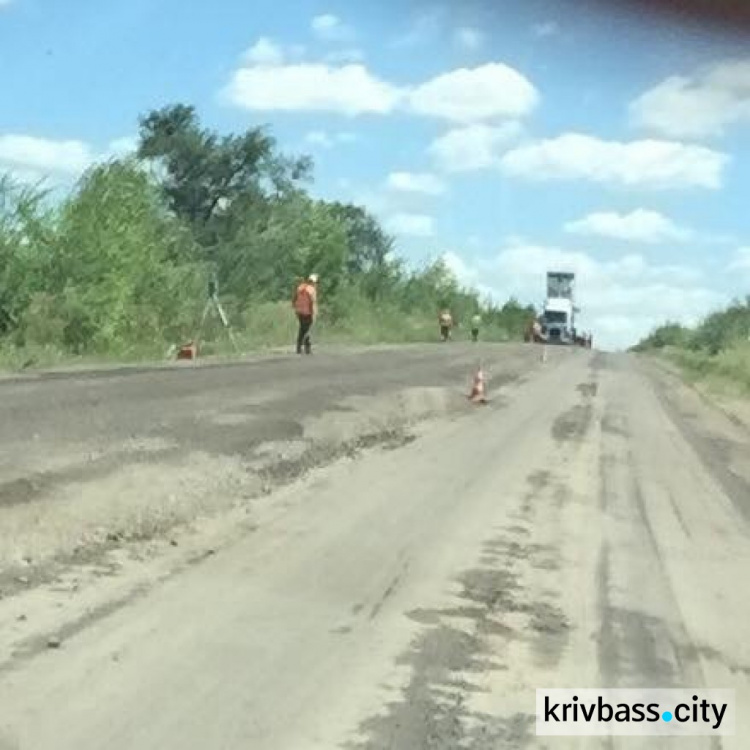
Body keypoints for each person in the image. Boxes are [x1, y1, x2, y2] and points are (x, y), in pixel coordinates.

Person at [293, 274, 318, 354]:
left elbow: (294, 298)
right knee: (307, 330)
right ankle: (306, 348)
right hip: (307, 313)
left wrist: (295, 309)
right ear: (314, 282)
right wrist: (314, 314)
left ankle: (299, 347)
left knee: (302, 329)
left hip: (299, 312)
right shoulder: (312, 290)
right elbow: (313, 303)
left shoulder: (300, 287)